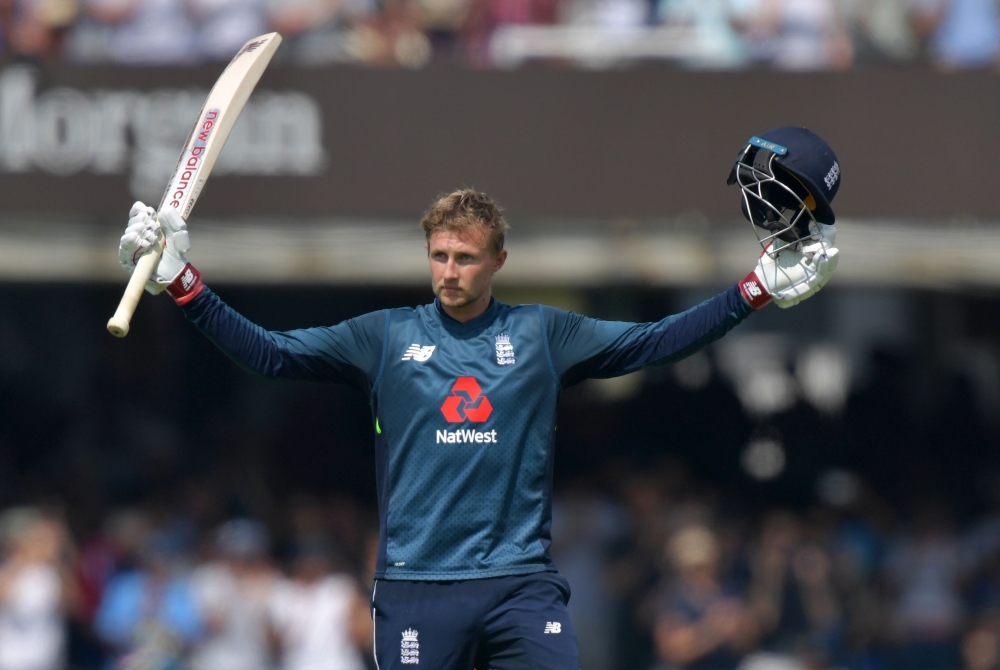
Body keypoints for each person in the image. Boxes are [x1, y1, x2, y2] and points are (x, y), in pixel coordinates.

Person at [116, 126, 841, 669]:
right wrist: (183, 284)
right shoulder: (386, 336)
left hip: (519, 582)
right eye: (439, 256)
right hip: (417, 586)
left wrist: (752, 293)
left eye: (466, 258)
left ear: (498, 259)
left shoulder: (542, 334)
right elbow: (270, 356)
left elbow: (654, 341)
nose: (450, 272)